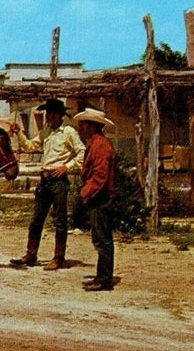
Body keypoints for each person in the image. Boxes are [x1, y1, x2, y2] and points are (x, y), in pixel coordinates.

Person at [7, 99, 85, 270]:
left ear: (57, 115)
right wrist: (19, 133)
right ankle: (31, 254)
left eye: (49, 113)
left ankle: (58, 257)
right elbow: (29, 146)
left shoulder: (69, 132)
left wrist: (67, 167)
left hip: (58, 182)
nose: (47, 116)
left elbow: (82, 152)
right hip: (45, 181)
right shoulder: (46, 132)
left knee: (60, 221)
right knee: (36, 219)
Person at [73, 108, 118, 291]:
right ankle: (102, 276)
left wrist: (85, 193)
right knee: (101, 238)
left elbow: (100, 175)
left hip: (100, 197)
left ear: (92, 126)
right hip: (98, 196)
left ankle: (104, 279)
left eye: (84, 124)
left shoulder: (100, 146)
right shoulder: (96, 143)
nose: (81, 127)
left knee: (102, 239)